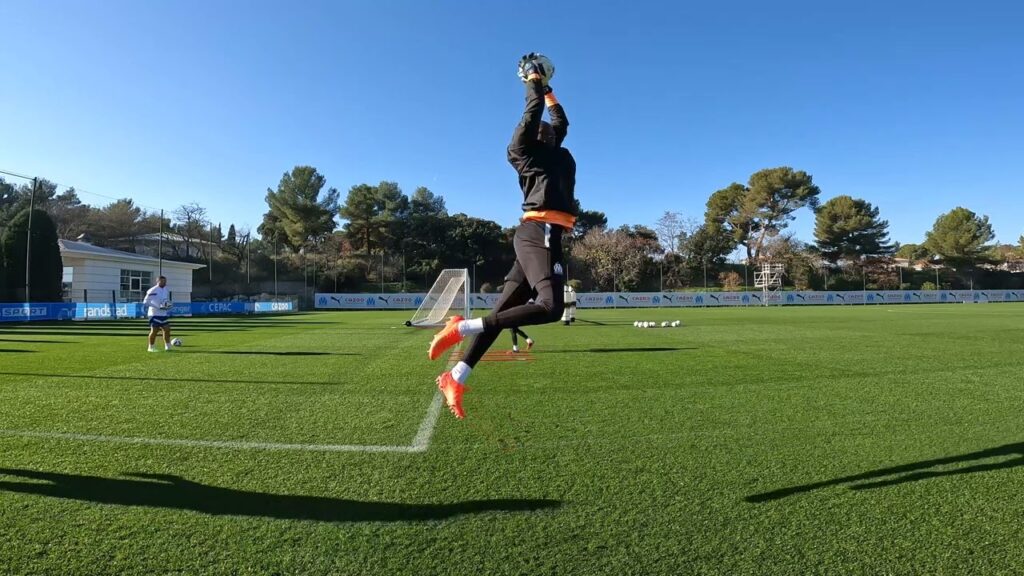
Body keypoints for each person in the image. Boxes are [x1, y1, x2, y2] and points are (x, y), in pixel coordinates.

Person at [427, 53, 575, 418]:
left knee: (504, 313)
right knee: (551, 307)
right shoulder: (522, 150)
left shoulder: (558, 150)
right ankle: (463, 326)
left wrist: (550, 90)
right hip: (539, 230)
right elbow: (534, 110)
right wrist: (533, 80)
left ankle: (456, 376)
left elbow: (560, 120)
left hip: (544, 235)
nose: (549, 128)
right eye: (542, 125)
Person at [143, 276, 173, 352]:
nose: (164, 283)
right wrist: (157, 307)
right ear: (158, 281)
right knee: (154, 331)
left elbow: (165, 301)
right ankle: (151, 347)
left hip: (163, 314)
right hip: (154, 314)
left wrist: (167, 305)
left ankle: (168, 346)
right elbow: (145, 302)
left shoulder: (166, 290)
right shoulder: (152, 290)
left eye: (165, 281)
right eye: (162, 281)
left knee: (167, 329)